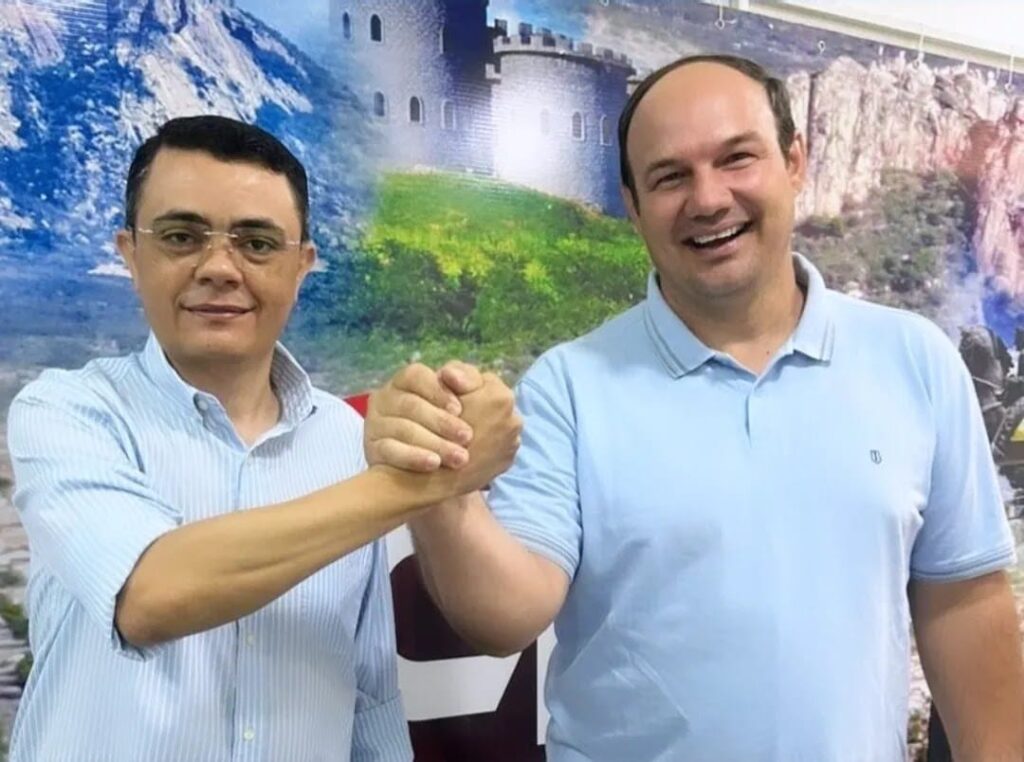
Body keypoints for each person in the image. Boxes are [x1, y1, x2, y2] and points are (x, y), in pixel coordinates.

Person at [363, 55, 1024, 761]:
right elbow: (505, 616)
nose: (708, 199)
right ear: (633, 204)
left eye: (737, 158)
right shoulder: (570, 385)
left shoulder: (916, 360)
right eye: (670, 176)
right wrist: (441, 493)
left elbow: (966, 601)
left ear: (795, 161)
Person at [6, 115, 521, 761]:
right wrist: (431, 477)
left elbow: (368, 693)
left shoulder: (345, 437)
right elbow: (145, 596)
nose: (220, 268)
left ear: (302, 265)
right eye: (181, 237)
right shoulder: (68, 410)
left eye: (257, 244)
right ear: (130, 254)